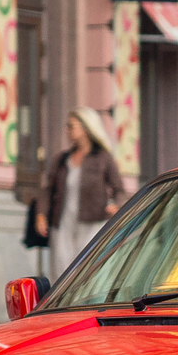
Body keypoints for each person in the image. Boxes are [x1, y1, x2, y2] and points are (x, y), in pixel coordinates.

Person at [35, 108, 128, 274]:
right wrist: (41, 215)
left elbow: (119, 189)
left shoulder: (103, 158)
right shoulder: (62, 159)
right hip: (63, 223)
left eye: (71, 126)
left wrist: (117, 205)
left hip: (93, 222)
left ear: (86, 128)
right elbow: (47, 190)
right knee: (61, 271)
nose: (67, 130)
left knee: (88, 272)